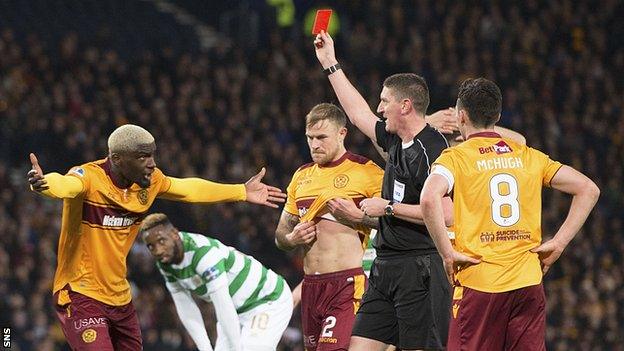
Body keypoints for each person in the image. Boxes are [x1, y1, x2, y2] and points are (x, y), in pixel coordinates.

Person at [27, 124, 286, 350]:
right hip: (80, 294)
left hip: (120, 297)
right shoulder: (89, 178)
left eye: (152, 155)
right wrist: (44, 184)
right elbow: (66, 184)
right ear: (117, 159)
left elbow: (188, 189)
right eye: (142, 157)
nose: (151, 163)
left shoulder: (150, 182)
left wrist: (241, 191)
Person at [420, 78, 600, 350]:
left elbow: (429, 197)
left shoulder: (455, 158)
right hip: (528, 282)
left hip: (480, 282)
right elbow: (588, 189)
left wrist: (447, 253)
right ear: (499, 117)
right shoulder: (528, 155)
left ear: (461, 116)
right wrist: (559, 242)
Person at [314, 31, 455, 351]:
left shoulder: (433, 149)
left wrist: (388, 207)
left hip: (421, 268)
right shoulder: (395, 140)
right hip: (385, 267)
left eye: (385, 101)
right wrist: (330, 64)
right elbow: (357, 113)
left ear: (405, 106)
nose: (379, 108)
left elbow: (447, 215)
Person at [274, 103, 384, 351]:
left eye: (321, 137)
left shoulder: (366, 172)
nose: (314, 145)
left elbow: (393, 220)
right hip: (311, 287)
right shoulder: (301, 176)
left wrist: (358, 215)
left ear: (342, 133)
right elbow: (280, 235)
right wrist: (292, 239)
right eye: (310, 138)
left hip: (347, 285)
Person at [139, 213, 292, 351]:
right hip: (236, 311)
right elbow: (186, 308)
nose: (158, 250)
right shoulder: (166, 262)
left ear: (174, 234)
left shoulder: (203, 254)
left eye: (161, 241)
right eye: (151, 246)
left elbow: (222, 303)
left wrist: (235, 348)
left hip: (266, 301)